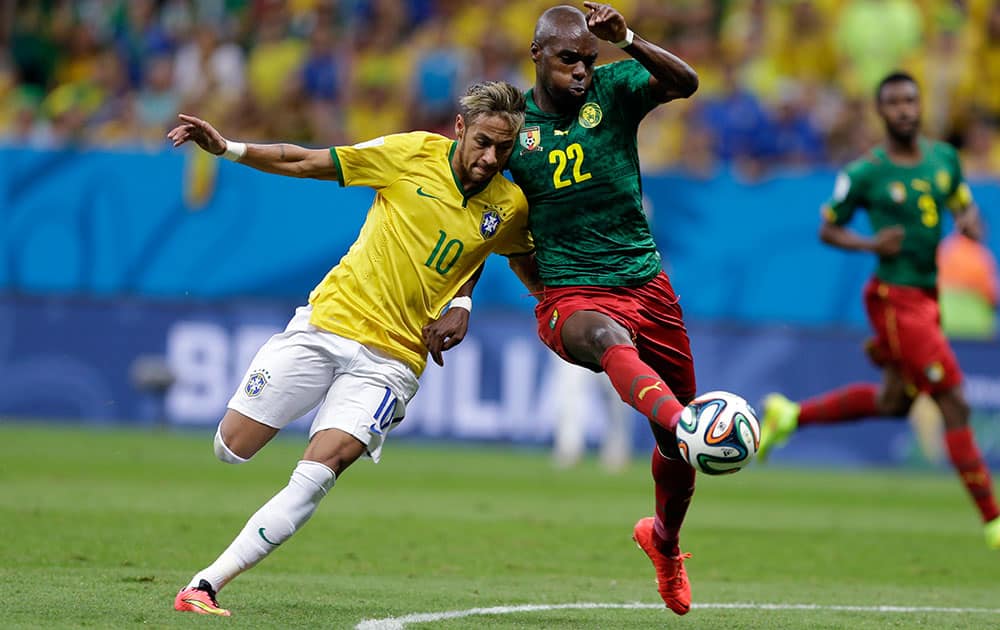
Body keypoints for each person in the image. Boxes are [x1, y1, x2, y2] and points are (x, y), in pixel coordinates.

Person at [165, 81, 534, 616]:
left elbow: (481, 251)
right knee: (232, 446)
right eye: (482, 142)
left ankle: (204, 585)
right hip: (327, 326)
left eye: (503, 149)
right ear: (459, 128)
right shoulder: (408, 155)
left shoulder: (510, 203)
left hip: (394, 362)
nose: (490, 158)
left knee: (320, 471)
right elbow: (304, 161)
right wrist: (228, 149)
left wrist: (463, 304)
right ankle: (289, 390)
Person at [503, 3, 701, 616]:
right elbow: (479, 215)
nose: (582, 70)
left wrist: (630, 40)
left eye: (589, 59)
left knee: (678, 454)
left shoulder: (614, 90)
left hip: (646, 284)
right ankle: (682, 420)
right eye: (569, 59)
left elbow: (685, 84)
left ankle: (663, 543)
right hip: (572, 296)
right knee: (608, 338)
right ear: (536, 53)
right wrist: (469, 296)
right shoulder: (511, 128)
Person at [758, 71, 1000, 550]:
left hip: (927, 298)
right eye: (894, 103)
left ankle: (789, 416)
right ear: (881, 112)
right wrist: (870, 241)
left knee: (896, 402)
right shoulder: (866, 172)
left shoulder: (944, 159)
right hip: (894, 299)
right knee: (954, 401)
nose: (905, 109)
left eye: (911, 100)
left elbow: (964, 207)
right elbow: (828, 229)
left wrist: (970, 223)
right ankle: (993, 519)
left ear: (920, 105)